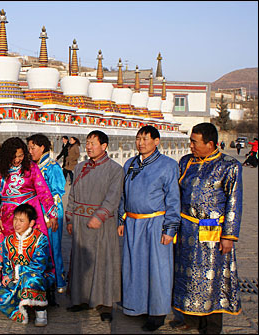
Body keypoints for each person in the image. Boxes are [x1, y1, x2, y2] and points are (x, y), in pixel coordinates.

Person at [173, 122, 242, 334]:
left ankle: (212, 325)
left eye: (195, 142)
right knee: (186, 275)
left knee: (211, 275)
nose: (191, 146)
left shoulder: (229, 166)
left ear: (210, 144)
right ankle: (190, 319)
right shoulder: (186, 162)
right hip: (186, 227)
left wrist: (228, 235)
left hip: (211, 227)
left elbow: (234, 202)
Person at [117, 125, 181, 331]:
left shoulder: (168, 165)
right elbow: (123, 195)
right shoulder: (130, 164)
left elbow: (173, 199)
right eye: (138, 138)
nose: (141, 143)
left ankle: (157, 312)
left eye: (145, 139)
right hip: (133, 222)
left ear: (157, 141)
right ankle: (136, 306)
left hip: (155, 223)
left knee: (158, 269)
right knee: (134, 267)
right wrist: (121, 219)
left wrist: (169, 229)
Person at [65, 130, 123, 323]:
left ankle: (105, 304)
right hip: (80, 222)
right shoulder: (80, 167)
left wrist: (100, 216)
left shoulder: (115, 169)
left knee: (104, 261)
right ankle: (81, 299)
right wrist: (70, 217)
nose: (89, 147)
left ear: (104, 146)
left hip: (102, 223)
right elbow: (72, 195)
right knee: (81, 262)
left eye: (93, 143)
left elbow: (113, 197)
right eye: (87, 143)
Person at [0, 204, 54, 326]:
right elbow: (7, 263)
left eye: (21, 220)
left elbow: (39, 266)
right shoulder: (8, 240)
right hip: (15, 279)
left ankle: (40, 312)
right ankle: (21, 311)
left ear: (31, 223)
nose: (16, 223)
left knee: (30, 278)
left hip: (39, 277)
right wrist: (7, 275)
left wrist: (15, 273)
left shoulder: (40, 239)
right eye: (15, 219)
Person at [0, 137, 58, 240]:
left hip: (31, 211)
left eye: (21, 156)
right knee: (11, 246)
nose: (17, 160)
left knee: (35, 245)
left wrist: (52, 215)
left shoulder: (31, 167)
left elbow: (43, 191)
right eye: (13, 157)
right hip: (8, 215)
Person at [27, 134, 67, 293]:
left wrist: (53, 216)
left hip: (50, 213)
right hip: (36, 212)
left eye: (33, 148)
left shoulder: (52, 167)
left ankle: (58, 282)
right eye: (29, 148)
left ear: (42, 147)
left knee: (53, 246)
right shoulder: (33, 166)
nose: (30, 151)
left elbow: (57, 194)